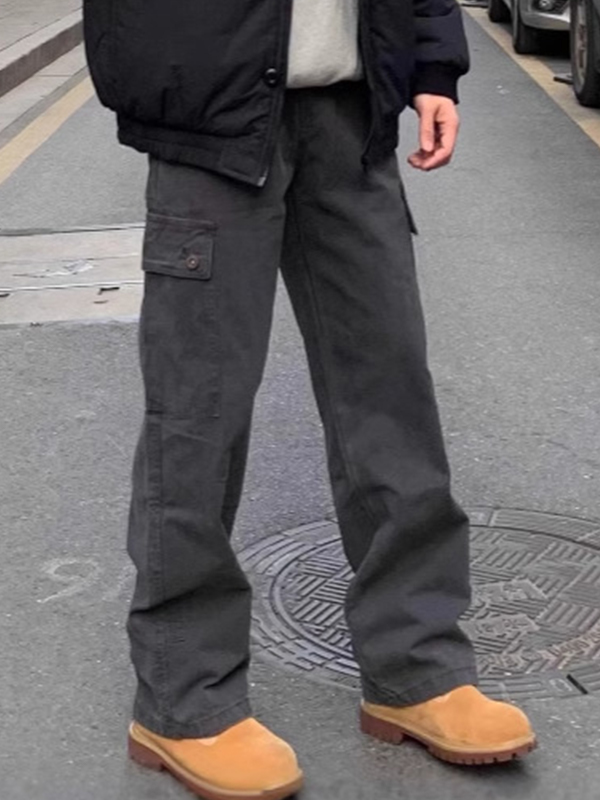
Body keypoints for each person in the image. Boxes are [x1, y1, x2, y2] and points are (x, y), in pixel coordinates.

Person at [84, 1, 537, 798]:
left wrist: (433, 66)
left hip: (352, 112)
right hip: (212, 116)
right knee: (200, 412)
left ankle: (417, 666)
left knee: (391, 393)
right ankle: (185, 699)